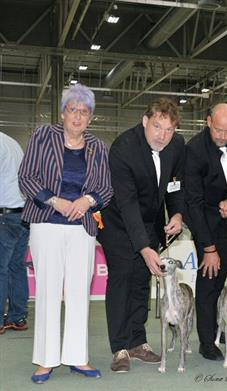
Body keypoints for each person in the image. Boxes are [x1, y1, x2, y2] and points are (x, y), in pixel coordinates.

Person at [18, 84, 113, 383]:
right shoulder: (43, 136)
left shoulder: (99, 147)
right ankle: (46, 360)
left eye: (84, 112)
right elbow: (27, 177)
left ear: (90, 117)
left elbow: (106, 189)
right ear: (62, 113)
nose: (78, 116)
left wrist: (87, 201)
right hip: (46, 223)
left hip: (82, 229)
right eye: (73, 109)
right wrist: (56, 201)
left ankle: (77, 357)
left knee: (77, 294)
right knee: (48, 292)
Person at [98, 98, 185, 373]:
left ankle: (138, 342)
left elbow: (175, 185)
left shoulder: (176, 146)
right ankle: (120, 347)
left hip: (150, 222)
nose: (162, 136)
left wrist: (177, 214)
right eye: (157, 127)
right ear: (145, 121)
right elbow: (127, 203)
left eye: (169, 130)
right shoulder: (123, 149)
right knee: (123, 279)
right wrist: (144, 247)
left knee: (141, 282)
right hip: (119, 225)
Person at [184, 103, 227, 361]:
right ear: (208, 122)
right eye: (217, 130)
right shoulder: (193, 150)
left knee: (223, 276)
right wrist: (207, 248)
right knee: (209, 279)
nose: (222, 136)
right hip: (203, 216)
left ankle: (219, 329)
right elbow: (192, 201)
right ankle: (206, 341)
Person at [0, 132, 30, 335]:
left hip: (4, 215)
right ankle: (17, 317)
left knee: (1, 269)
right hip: (22, 214)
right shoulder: (11, 141)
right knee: (16, 267)